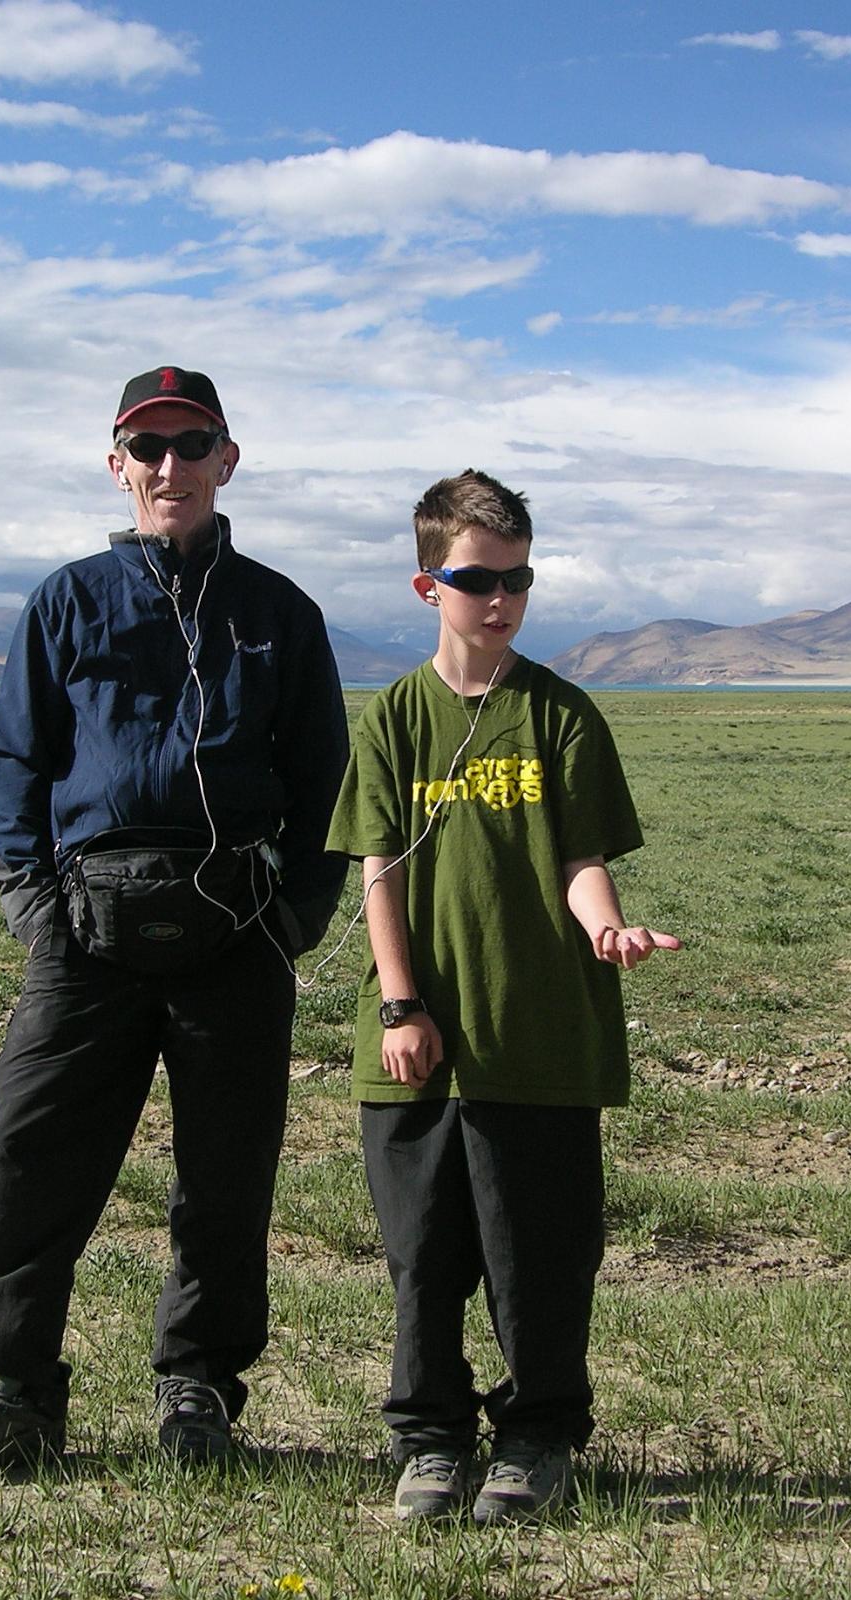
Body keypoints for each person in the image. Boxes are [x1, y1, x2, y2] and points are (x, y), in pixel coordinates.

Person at [0, 366, 349, 1475]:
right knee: (32, 1159)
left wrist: (289, 920)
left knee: (226, 1177)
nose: (169, 467)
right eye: (146, 449)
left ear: (227, 461)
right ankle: (12, 1395)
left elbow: (327, 782)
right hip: (84, 940)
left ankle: (199, 1395)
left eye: (191, 444)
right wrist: (37, 911)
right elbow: (15, 762)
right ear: (117, 466)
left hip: (233, 937)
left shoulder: (280, 615)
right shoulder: (65, 602)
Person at [325, 469, 680, 1524]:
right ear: (428, 581)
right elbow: (377, 868)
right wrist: (401, 1006)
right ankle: (429, 1441)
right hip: (421, 1048)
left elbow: (581, 857)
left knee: (541, 1260)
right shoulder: (393, 717)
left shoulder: (560, 715)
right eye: (479, 577)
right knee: (423, 1259)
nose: (503, 597)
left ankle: (536, 1437)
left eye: (519, 576)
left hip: (543, 1041)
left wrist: (604, 925)